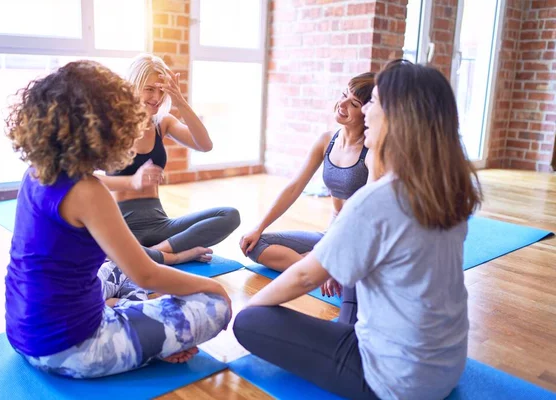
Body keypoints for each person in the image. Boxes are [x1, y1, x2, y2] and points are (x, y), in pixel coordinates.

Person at [233, 59, 482, 400]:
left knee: (250, 323)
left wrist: (249, 307)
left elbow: (305, 278)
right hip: (446, 367)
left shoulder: (379, 198)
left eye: (373, 102)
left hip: (394, 381)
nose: (366, 111)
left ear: (397, 118)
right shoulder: (449, 191)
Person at [4, 60, 231, 378]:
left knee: (115, 270)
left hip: (23, 333)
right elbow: (147, 276)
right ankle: (151, 342)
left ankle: (138, 324)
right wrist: (214, 287)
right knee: (214, 305)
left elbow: (136, 272)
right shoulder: (88, 191)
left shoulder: (38, 171)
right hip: (71, 349)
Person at [97, 54, 241, 266]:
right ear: (132, 86)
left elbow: (204, 145)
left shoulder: (161, 123)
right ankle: (171, 254)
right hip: (122, 226)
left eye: (161, 90)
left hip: (161, 227)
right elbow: (83, 179)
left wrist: (180, 101)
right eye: (149, 89)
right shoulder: (109, 127)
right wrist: (131, 180)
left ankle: (155, 253)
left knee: (230, 215)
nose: (156, 97)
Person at [239, 72, 374, 271]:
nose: (342, 104)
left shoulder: (372, 151)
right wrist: (259, 227)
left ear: (368, 113)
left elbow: (371, 214)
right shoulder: (327, 140)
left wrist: (331, 248)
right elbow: (294, 187)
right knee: (254, 245)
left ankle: (321, 267)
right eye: (344, 94)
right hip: (330, 234)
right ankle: (319, 269)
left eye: (353, 104)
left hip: (356, 241)